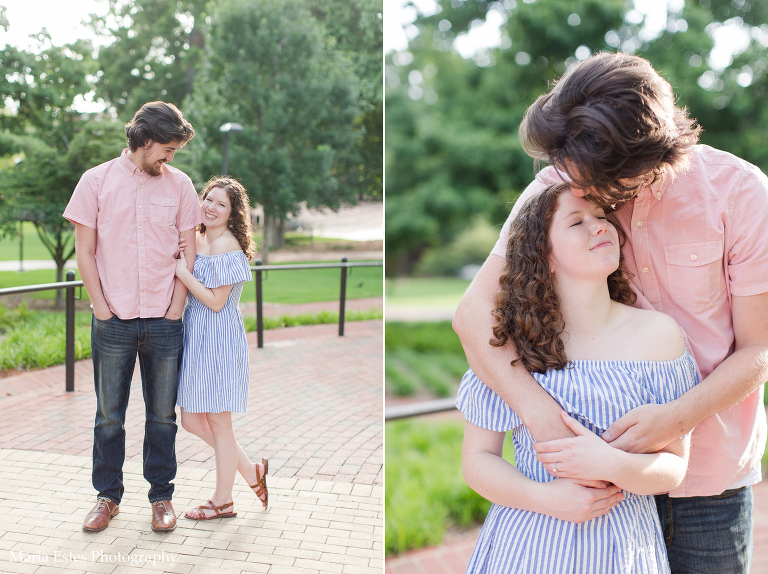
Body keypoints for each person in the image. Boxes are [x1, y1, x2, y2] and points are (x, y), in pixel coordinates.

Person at [453, 52, 768, 573]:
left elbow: (759, 348)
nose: (574, 185)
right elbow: (474, 312)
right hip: (578, 496)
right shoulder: (560, 185)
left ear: (643, 164)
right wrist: (543, 421)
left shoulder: (741, 194)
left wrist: (672, 420)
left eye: (594, 187)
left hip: (707, 484)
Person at [459, 182, 697, 573]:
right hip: (526, 548)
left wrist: (611, 464)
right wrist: (543, 497)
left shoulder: (660, 337)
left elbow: (673, 467)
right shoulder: (509, 346)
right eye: (576, 222)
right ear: (545, 256)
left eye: (602, 217)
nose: (600, 227)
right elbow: (477, 461)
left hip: (623, 552)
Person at [63, 101, 199, 532]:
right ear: (144, 140)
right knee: (109, 416)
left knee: (162, 416)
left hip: (164, 320)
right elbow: (84, 252)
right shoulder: (96, 181)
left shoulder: (180, 186)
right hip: (113, 321)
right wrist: (102, 308)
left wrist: (176, 307)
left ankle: (161, 497)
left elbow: (188, 252)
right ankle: (107, 497)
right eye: (167, 148)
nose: (170, 158)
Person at [172, 177, 269, 520]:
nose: (211, 207)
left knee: (218, 422)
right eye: (208, 199)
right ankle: (250, 471)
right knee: (191, 420)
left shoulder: (228, 246)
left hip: (220, 338)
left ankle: (223, 500)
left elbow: (215, 302)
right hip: (195, 336)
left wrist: (182, 272)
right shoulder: (195, 238)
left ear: (232, 213)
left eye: (221, 204)